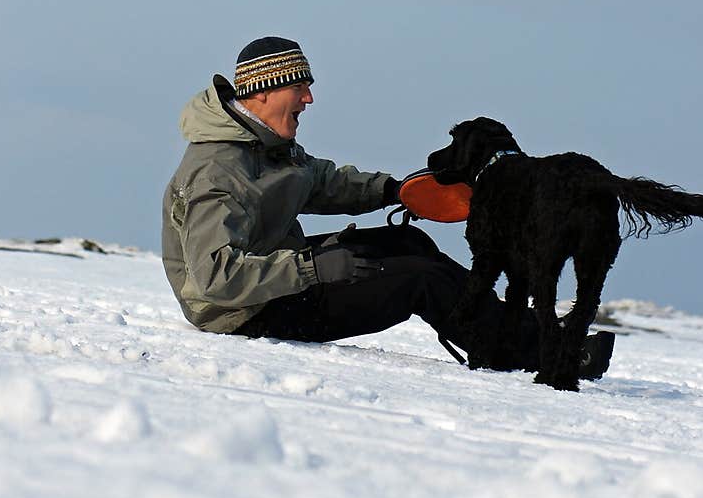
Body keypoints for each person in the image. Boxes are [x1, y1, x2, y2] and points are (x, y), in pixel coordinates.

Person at [161, 35, 614, 378]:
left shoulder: (266, 146)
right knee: (419, 281)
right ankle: (549, 354)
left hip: (279, 277)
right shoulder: (217, 170)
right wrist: (311, 271)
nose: (309, 99)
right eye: (300, 87)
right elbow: (215, 278)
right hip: (244, 313)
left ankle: (521, 330)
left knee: (408, 241)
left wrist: (395, 190)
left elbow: (319, 181)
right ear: (264, 91)